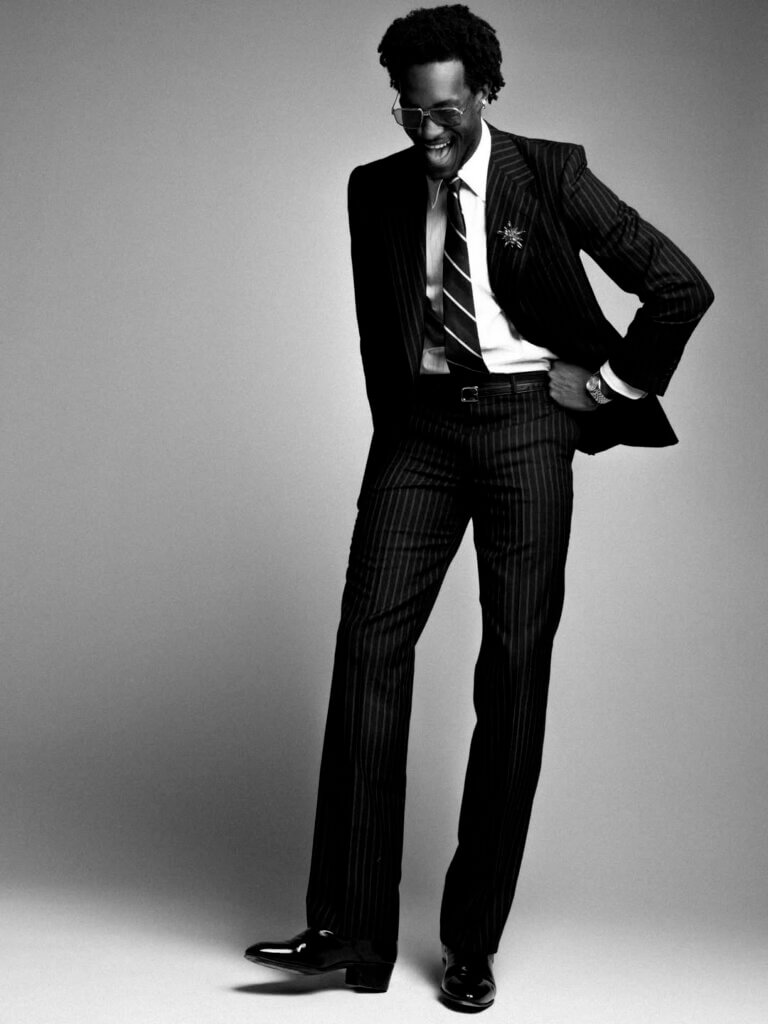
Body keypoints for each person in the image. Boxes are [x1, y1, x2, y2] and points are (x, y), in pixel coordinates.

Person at [245, 3, 713, 1011]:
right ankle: (351, 932)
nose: (426, 131)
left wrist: (613, 388)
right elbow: (381, 330)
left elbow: (679, 286)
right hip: (420, 433)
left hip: (526, 427)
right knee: (367, 649)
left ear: (487, 94)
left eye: (446, 112)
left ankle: (471, 942)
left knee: (512, 674)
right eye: (409, 111)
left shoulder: (551, 174)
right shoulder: (373, 189)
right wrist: (398, 433)